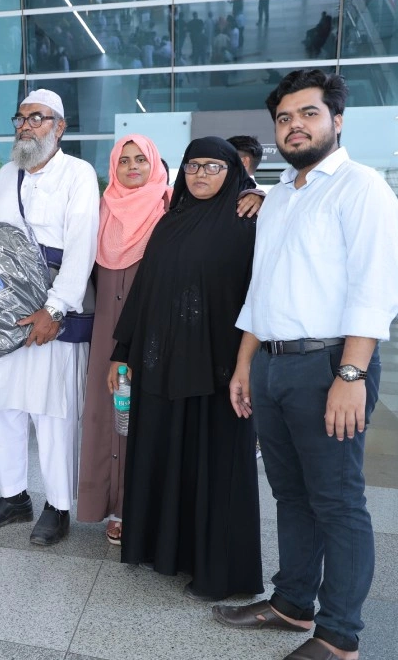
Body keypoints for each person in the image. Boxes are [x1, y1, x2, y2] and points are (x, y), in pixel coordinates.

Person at [215, 69, 398, 660]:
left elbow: (376, 288)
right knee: (290, 494)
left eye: (309, 113)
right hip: (272, 366)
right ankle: (293, 602)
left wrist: (351, 375)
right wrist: (245, 366)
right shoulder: (280, 197)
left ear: (337, 120)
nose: (295, 125)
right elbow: (261, 290)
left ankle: (340, 636)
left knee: (338, 501)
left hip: (329, 365)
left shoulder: (362, 188)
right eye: (285, 118)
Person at [112, 137, 263, 601]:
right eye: (193, 165)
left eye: (214, 167)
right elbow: (144, 290)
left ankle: (218, 570)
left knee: (213, 464)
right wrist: (123, 351)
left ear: (233, 173)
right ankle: (164, 551)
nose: (200, 174)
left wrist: (247, 366)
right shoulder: (170, 222)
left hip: (218, 372)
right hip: (159, 365)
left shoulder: (247, 223)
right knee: (164, 451)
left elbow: (260, 296)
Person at [0, 89, 98, 546]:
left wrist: (55, 309)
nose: (26, 126)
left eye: (37, 118)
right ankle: (13, 496)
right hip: (3, 307)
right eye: (20, 118)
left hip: (50, 308)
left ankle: (58, 507)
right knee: (2, 405)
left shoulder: (78, 173)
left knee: (51, 410)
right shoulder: (7, 173)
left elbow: (82, 247)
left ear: (59, 127)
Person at [76, 135, 170, 546]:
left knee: (147, 416)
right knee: (107, 414)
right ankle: (111, 507)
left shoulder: (170, 208)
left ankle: (141, 507)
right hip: (105, 331)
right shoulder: (102, 209)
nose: (132, 167)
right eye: (124, 160)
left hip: (152, 334)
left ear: (155, 164)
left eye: (140, 160)